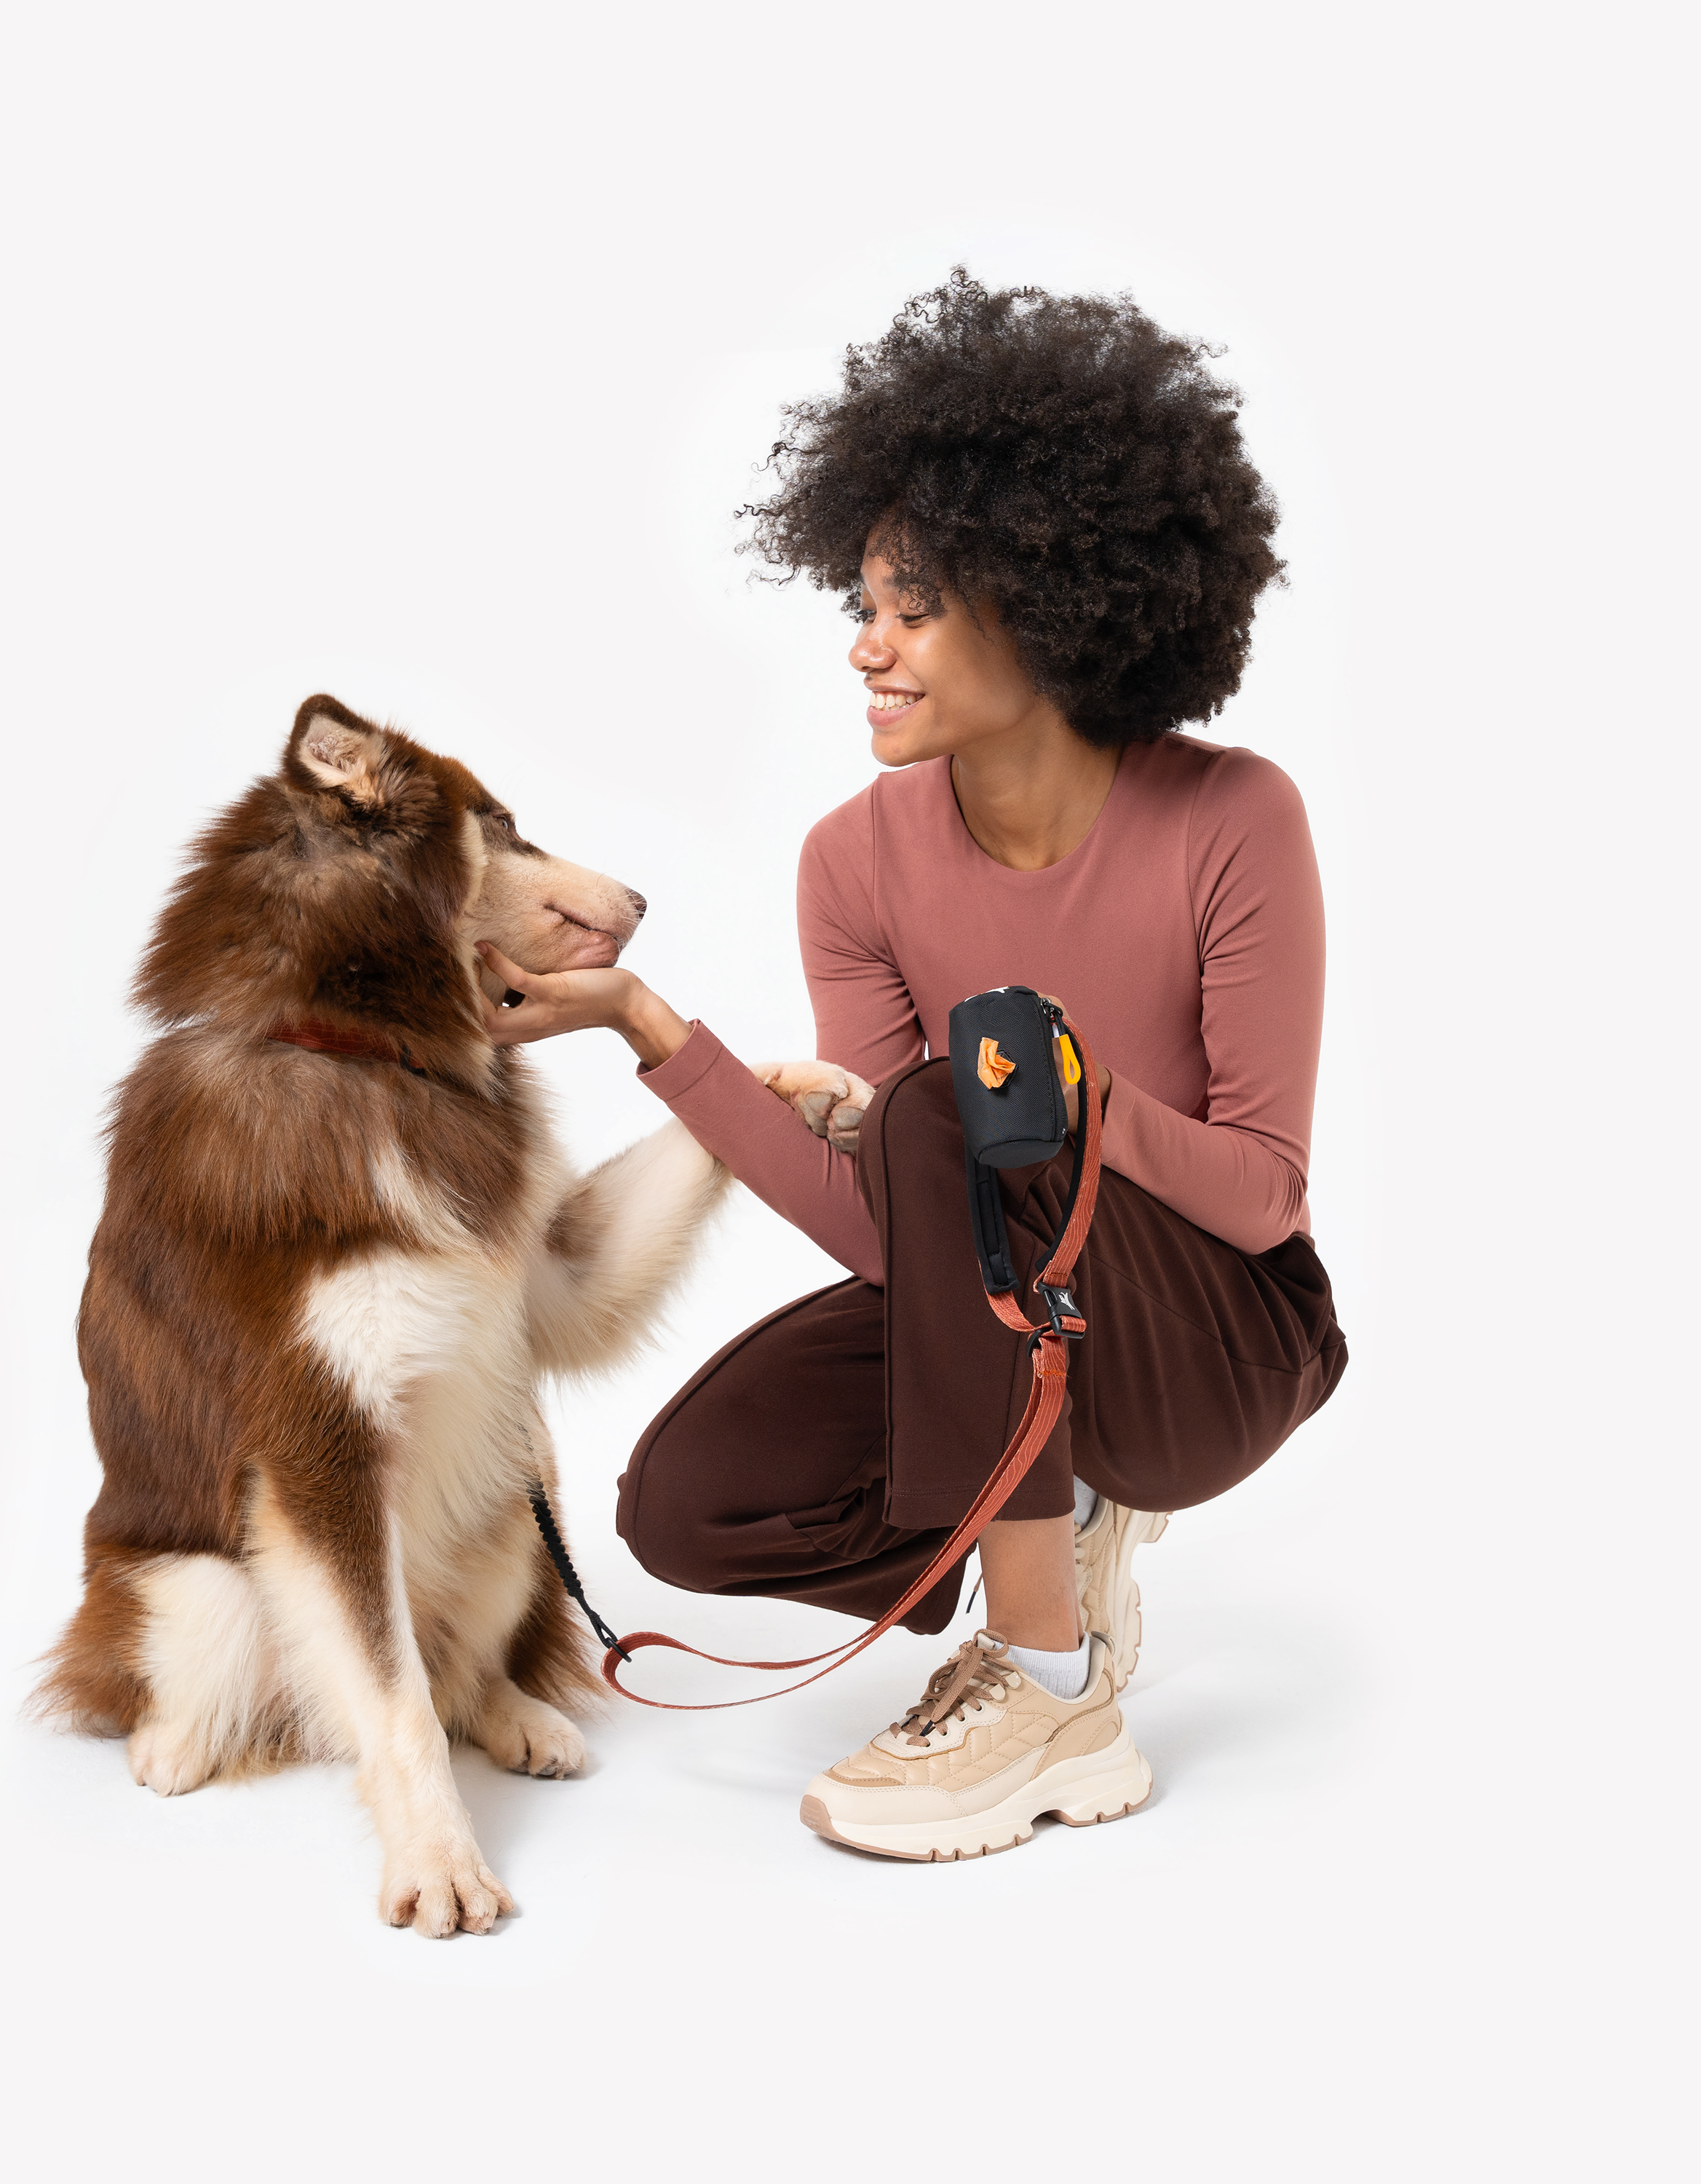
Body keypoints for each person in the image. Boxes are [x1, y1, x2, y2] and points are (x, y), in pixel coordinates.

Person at [476, 269, 1347, 1861]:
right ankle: (1048, 1505)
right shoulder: (852, 864)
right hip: (1006, 1314)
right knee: (689, 1500)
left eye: (916, 607)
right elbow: (893, 1229)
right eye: (859, 607)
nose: (869, 649)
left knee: (968, 1097)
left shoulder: (1235, 820)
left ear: (1053, 594)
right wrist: (649, 1029)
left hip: (1216, 1331)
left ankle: (1045, 1676)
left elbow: (1264, 1196)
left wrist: (1071, 1106)